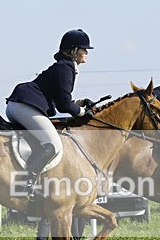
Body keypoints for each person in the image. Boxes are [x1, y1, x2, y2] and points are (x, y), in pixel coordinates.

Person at [5, 29, 94, 199]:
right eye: (84, 49)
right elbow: (63, 105)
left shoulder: (65, 67)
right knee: (52, 143)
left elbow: (62, 99)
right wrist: (82, 113)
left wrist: (81, 103)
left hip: (21, 104)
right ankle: (25, 185)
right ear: (74, 51)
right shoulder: (66, 68)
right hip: (25, 105)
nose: (86, 53)